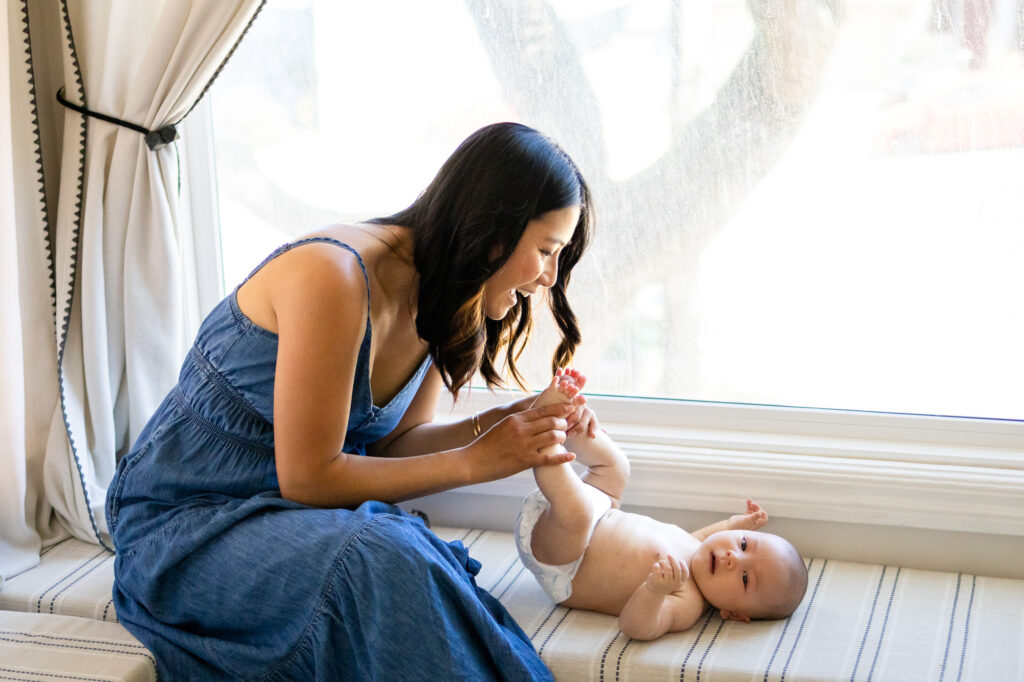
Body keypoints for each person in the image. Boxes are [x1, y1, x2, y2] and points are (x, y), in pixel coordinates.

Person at [106, 122, 595, 681]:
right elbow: (309, 477)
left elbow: (393, 446)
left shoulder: (441, 296)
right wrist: (475, 461)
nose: (551, 277)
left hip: (290, 519)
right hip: (186, 526)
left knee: (400, 553)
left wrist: (511, 421)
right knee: (386, 554)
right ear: (492, 231)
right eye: (546, 250)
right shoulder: (334, 277)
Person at [516, 370, 809, 640]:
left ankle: (542, 431)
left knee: (577, 513)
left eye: (745, 578)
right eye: (744, 544)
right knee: (617, 468)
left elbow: (635, 628)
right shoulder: (696, 549)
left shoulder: (688, 602)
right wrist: (735, 524)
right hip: (598, 511)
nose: (733, 558)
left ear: (733, 614)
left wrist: (654, 591)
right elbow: (709, 536)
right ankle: (572, 425)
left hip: (565, 559)